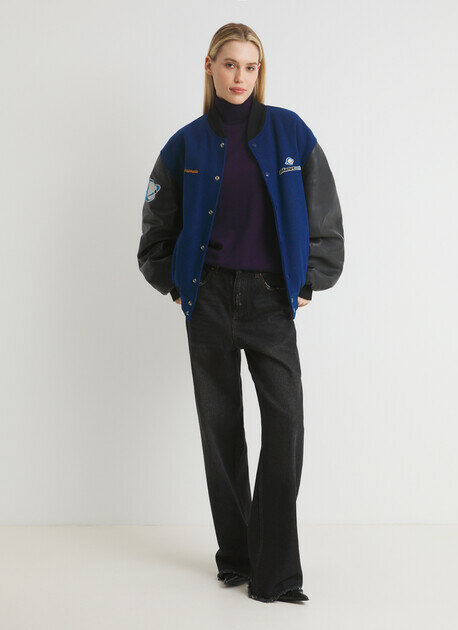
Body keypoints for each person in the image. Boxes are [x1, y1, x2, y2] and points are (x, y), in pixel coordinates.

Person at [137, 23, 344, 603]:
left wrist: (310, 279)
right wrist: (176, 284)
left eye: (250, 67)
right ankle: (235, 556)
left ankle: (275, 572)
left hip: (270, 301)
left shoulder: (290, 132)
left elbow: (325, 215)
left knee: (286, 425)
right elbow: (156, 228)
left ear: (260, 72)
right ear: (210, 66)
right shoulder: (184, 145)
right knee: (220, 428)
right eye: (230, 64)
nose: (240, 77)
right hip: (207, 300)